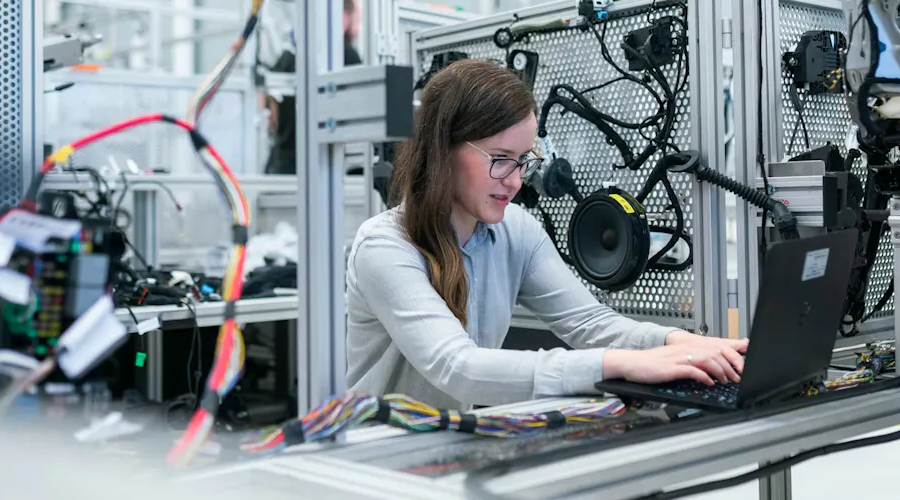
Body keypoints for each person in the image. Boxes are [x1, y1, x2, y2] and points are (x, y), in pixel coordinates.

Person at [344, 59, 748, 410]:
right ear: (442, 150)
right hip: (382, 455)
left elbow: (590, 323)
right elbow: (458, 368)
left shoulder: (516, 231)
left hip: (450, 444)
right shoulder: (385, 247)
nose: (516, 181)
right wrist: (617, 364)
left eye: (523, 161)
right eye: (501, 160)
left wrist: (680, 343)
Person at [263, 0, 363, 175]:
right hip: (327, 166)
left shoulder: (288, 56)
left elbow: (271, 115)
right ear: (343, 17)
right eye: (356, 19)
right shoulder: (345, 54)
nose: (356, 27)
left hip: (284, 167)